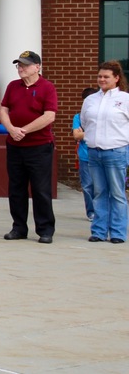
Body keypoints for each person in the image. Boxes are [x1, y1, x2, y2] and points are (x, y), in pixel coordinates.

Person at [0, 50, 58, 244]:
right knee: (16, 188)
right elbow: (4, 109)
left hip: (39, 146)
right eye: (19, 65)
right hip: (14, 146)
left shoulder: (46, 87)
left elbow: (49, 116)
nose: (21, 68)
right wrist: (10, 128)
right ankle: (19, 227)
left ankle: (45, 229)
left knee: (41, 189)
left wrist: (23, 130)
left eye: (24, 65)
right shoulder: (13, 86)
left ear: (37, 67)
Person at [80, 61, 129, 243]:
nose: (102, 79)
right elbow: (85, 122)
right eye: (100, 76)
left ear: (116, 78)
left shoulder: (125, 99)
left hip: (116, 152)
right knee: (99, 192)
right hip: (94, 152)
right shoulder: (90, 100)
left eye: (106, 76)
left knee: (117, 193)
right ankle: (99, 231)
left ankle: (117, 232)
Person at [72, 87, 98, 221]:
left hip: (100, 155)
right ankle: (91, 212)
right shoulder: (78, 117)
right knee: (88, 185)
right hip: (85, 155)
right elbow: (76, 135)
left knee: (103, 186)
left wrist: (85, 133)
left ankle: (103, 211)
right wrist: (94, 132)